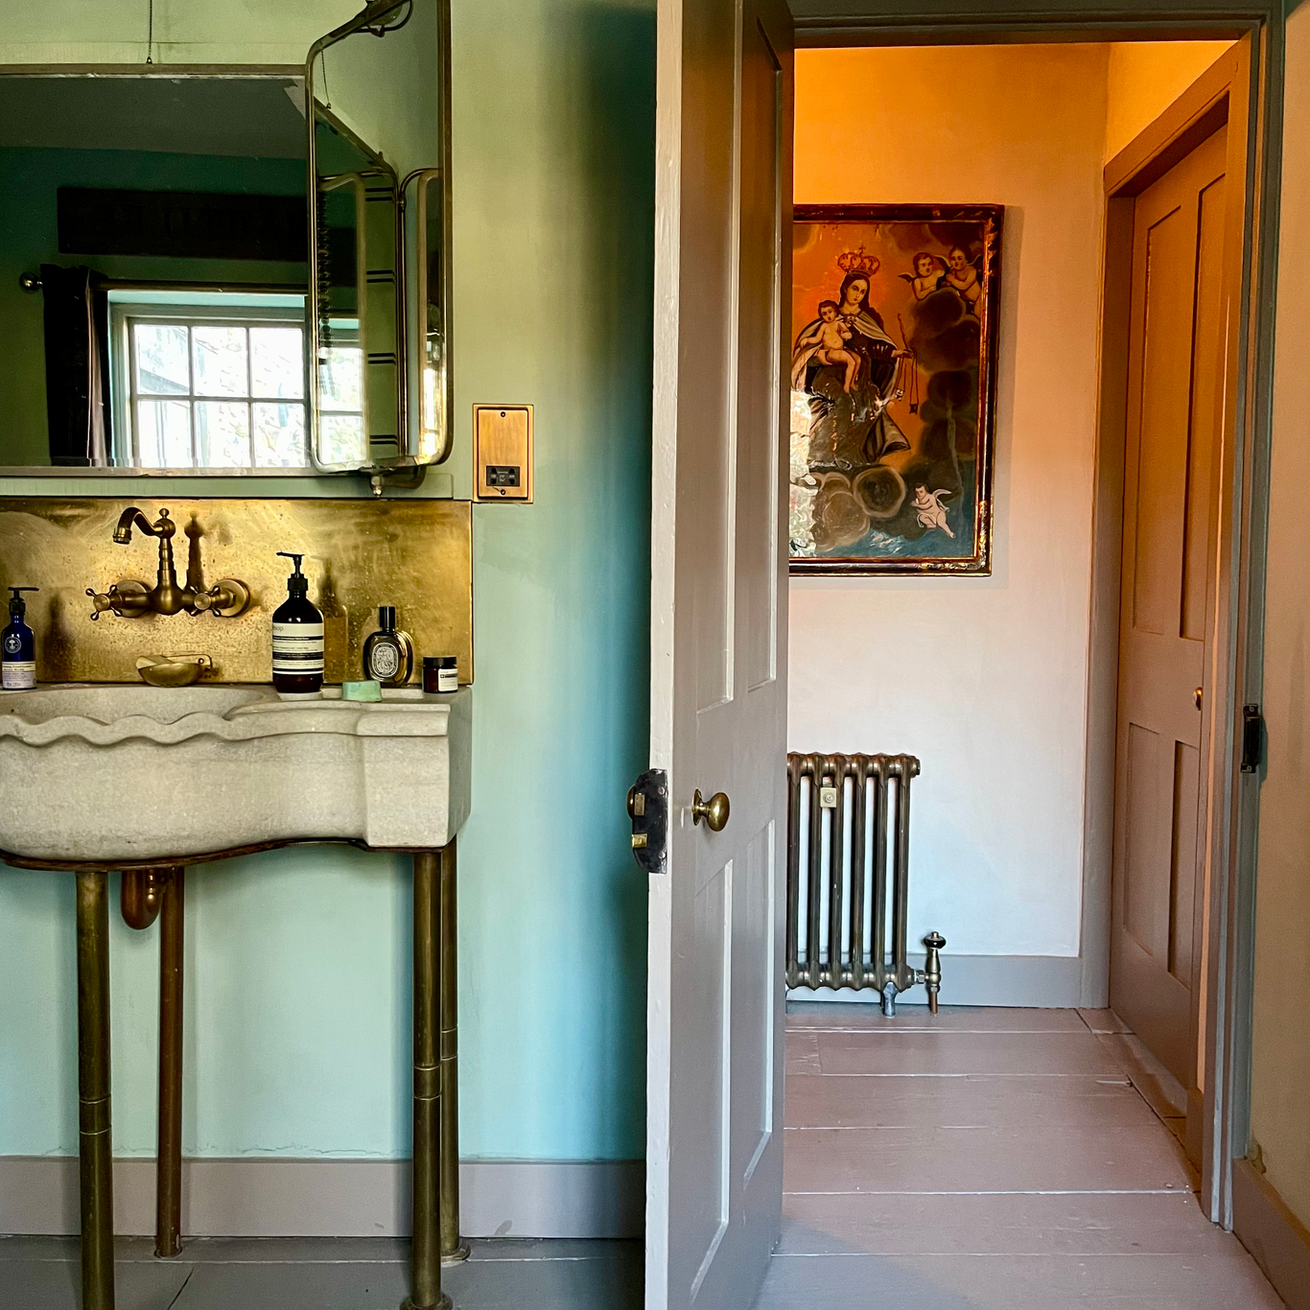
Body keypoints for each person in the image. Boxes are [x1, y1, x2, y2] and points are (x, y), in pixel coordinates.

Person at [793, 300, 860, 392]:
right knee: (851, 361)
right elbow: (817, 339)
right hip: (831, 352)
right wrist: (807, 339)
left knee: (858, 359)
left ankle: (852, 382)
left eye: (830, 312)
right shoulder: (824, 326)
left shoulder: (839, 324)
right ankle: (846, 387)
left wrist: (844, 334)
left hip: (841, 350)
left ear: (835, 312)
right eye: (824, 314)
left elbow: (848, 335)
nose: (828, 315)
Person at [943, 246, 982, 312]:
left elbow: (964, 286)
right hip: (964, 302)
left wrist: (952, 280)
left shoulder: (972, 271)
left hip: (978, 300)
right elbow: (949, 286)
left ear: (966, 259)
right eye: (953, 259)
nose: (956, 262)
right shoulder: (953, 272)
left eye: (959, 258)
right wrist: (947, 282)